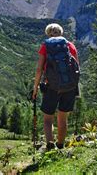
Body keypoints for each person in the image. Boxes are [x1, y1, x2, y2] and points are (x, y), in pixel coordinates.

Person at [32, 23, 79, 151]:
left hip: (51, 86)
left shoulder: (45, 46)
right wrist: (75, 87)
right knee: (62, 118)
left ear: (48, 34)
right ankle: (60, 145)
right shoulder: (70, 46)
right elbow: (76, 68)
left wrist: (35, 87)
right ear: (61, 33)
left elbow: (39, 69)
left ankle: (49, 145)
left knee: (48, 119)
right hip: (69, 87)